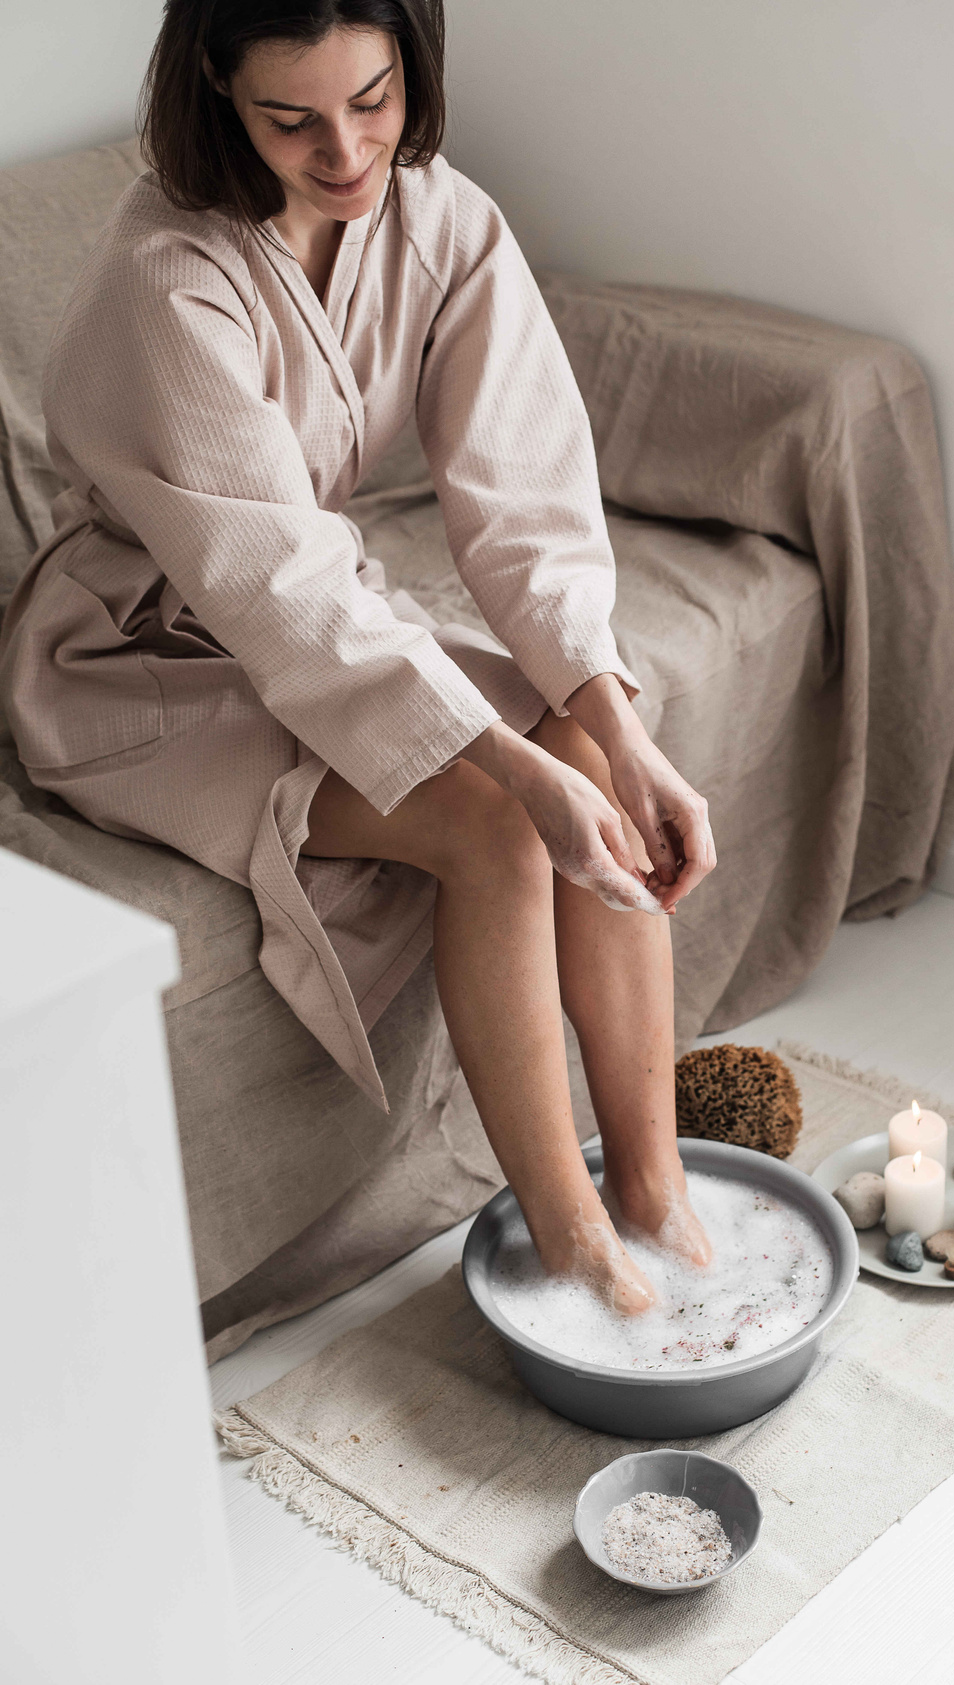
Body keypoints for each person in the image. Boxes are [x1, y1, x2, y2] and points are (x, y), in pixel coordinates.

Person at [0, 0, 717, 1312]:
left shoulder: (444, 220)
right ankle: (567, 1235)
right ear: (219, 90)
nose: (346, 151)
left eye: (373, 99)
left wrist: (614, 728)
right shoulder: (174, 273)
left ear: (414, 63)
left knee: (587, 762)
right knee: (500, 817)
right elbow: (283, 591)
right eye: (293, 119)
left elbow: (528, 499)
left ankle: (652, 1178)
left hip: (296, 619)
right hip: (136, 660)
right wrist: (513, 761)